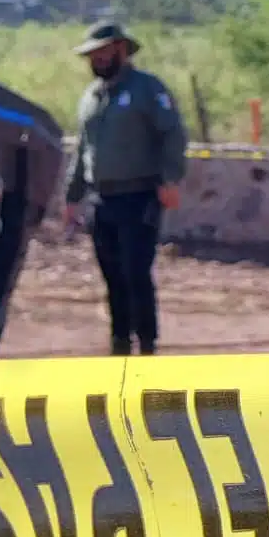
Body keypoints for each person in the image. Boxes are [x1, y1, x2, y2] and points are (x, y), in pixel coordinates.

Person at [62, 20, 188, 357]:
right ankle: (119, 340)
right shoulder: (91, 97)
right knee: (112, 273)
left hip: (140, 195)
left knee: (135, 270)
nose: (97, 60)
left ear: (120, 49)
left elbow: (172, 135)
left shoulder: (147, 89)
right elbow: (83, 149)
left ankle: (147, 343)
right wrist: (72, 197)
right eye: (92, 56)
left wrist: (170, 179)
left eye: (102, 53)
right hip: (101, 198)